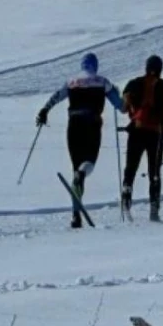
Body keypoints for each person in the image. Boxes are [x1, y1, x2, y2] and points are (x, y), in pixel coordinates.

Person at [35, 52, 124, 228]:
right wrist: (121, 97)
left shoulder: (71, 82)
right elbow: (121, 106)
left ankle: (76, 214)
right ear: (95, 65)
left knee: (76, 168)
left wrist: (44, 110)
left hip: (73, 126)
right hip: (92, 124)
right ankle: (82, 174)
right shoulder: (102, 82)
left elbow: (56, 97)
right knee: (89, 162)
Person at [121, 55, 163, 221]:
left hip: (136, 130)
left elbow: (124, 106)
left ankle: (126, 195)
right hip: (156, 132)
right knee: (154, 171)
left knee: (131, 167)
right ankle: (154, 206)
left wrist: (134, 115)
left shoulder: (133, 83)